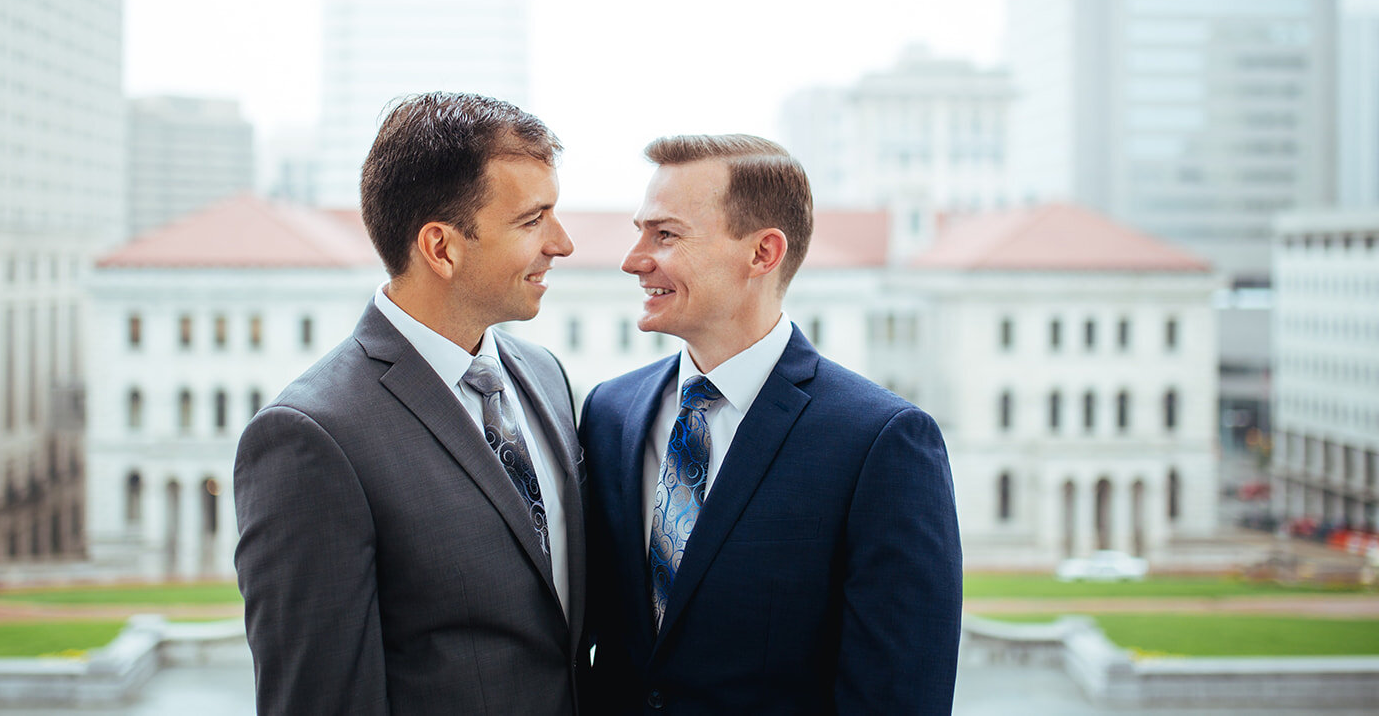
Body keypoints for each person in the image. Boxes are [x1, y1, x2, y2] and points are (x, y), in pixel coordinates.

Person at [580, 135, 962, 714]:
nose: (633, 259)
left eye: (665, 234)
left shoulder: (882, 442)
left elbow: (899, 694)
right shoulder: (610, 413)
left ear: (762, 253)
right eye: (639, 232)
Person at [234, 92, 586, 716]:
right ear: (441, 247)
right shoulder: (309, 437)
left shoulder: (545, 375)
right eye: (533, 220)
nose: (562, 242)